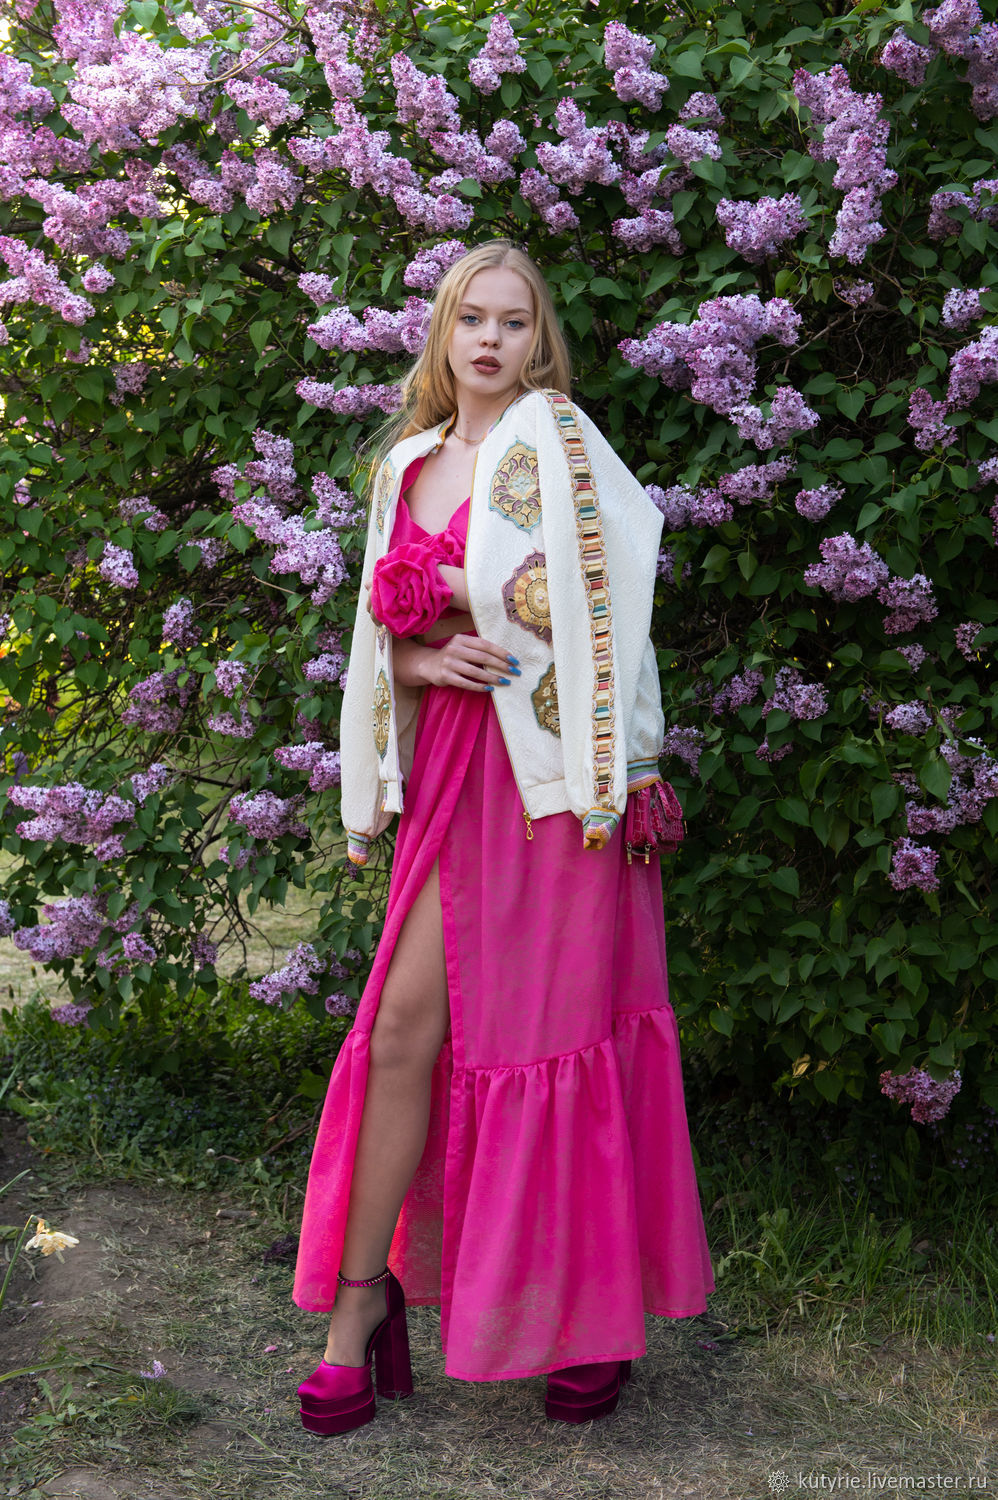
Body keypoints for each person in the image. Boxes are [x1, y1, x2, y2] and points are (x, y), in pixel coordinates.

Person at [293, 240, 713, 1435]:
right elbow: (377, 639)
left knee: (555, 1042)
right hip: (449, 774)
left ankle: (585, 1321)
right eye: (471, 318)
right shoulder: (407, 464)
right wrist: (421, 662)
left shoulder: (558, 445)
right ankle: (358, 1308)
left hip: (552, 789)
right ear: (442, 331)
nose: (489, 339)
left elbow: (610, 601)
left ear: (539, 340)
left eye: (513, 321)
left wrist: (617, 758)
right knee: (401, 1035)